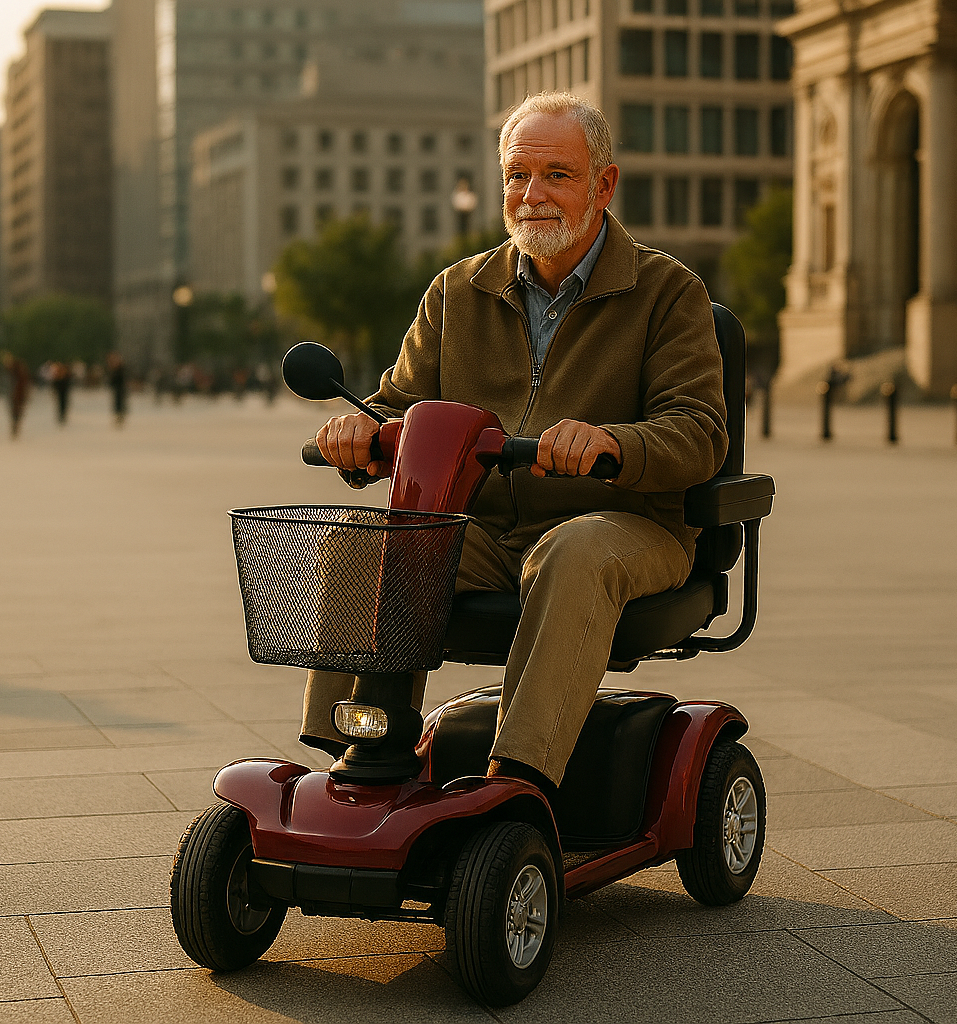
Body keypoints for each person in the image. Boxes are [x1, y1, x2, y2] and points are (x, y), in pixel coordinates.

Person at [301, 92, 727, 793]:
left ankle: (517, 777)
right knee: (366, 534)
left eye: (557, 174)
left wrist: (611, 443)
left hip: (626, 525)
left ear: (603, 184)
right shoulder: (456, 292)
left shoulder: (666, 291)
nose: (532, 195)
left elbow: (698, 432)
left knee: (574, 548)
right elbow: (396, 407)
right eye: (517, 174)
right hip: (485, 530)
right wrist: (360, 432)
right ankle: (359, 753)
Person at [1, 352, 31, 439]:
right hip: (12, 394)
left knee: (17, 411)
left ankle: (15, 426)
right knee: (13, 411)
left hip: (18, 395)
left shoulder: (19, 372)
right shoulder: (8, 372)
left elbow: (24, 384)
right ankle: (14, 426)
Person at [46, 360, 73, 425]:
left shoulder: (64, 377)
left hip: (64, 392)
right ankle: (61, 415)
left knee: (64, 403)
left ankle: (63, 415)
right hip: (61, 392)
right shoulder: (58, 377)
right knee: (60, 404)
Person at [106, 352, 128, 427]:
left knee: (120, 404)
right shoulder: (115, 370)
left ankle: (120, 418)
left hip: (120, 389)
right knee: (117, 404)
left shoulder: (120, 369)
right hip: (117, 390)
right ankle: (119, 418)